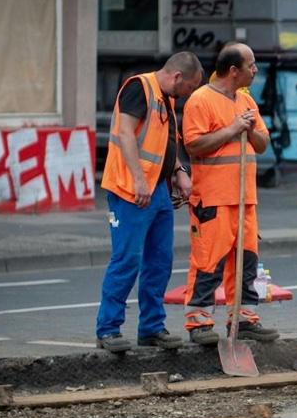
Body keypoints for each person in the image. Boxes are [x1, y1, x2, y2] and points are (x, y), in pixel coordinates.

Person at [95, 52, 206, 354]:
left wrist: (180, 172)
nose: (189, 95)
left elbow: (168, 143)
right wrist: (139, 180)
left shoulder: (166, 99)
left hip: (157, 188)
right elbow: (124, 134)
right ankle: (108, 329)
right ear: (177, 77)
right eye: (189, 88)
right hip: (131, 189)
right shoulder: (139, 87)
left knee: (159, 261)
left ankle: (152, 327)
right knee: (127, 259)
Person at [181, 43, 280, 346]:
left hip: (245, 199)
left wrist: (248, 130)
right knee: (208, 262)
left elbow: (262, 144)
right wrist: (233, 128)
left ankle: (244, 319)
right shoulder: (200, 101)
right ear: (234, 70)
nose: (256, 70)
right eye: (251, 65)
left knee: (246, 262)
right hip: (213, 198)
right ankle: (198, 323)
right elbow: (193, 145)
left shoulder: (246, 101)